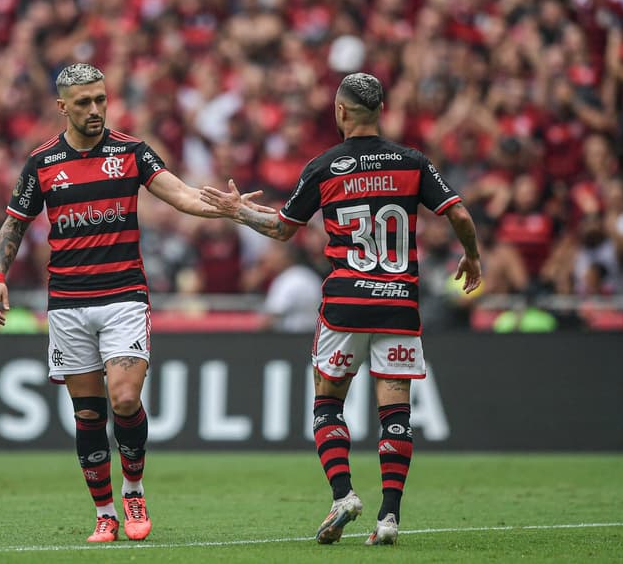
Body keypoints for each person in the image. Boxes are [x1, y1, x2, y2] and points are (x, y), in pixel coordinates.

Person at [0, 63, 269, 543]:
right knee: (90, 414)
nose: (95, 109)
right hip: (69, 302)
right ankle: (105, 514)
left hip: (123, 296)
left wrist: (227, 208)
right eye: (83, 103)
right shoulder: (42, 163)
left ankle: (133, 489)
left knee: (124, 398)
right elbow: (14, 224)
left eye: (100, 99)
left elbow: (179, 193)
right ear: (62, 107)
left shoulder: (131, 152)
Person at [200, 72, 482, 546]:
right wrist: (472, 255)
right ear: (381, 111)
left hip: (346, 304)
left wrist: (236, 211)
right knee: (395, 415)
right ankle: (389, 518)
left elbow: (283, 230)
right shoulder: (411, 161)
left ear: (341, 112)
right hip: (397, 306)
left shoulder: (325, 166)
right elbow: (458, 213)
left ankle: (344, 495)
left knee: (329, 402)